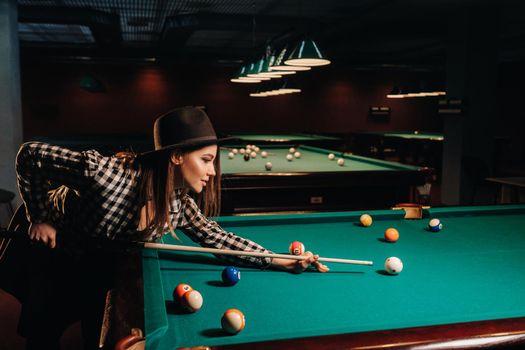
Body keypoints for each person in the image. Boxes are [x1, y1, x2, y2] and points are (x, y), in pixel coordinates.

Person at [10, 106, 329, 350]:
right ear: (176, 156)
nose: (212, 172)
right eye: (205, 160)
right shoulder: (106, 175)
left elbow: (219, 239)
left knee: (98, 331)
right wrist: (40, 217)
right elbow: (30, 155)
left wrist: (279, 260)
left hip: (100, 257)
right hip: (53, 247)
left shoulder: (179, 205)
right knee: (43, 330)